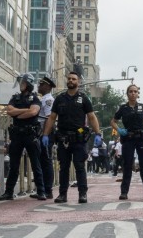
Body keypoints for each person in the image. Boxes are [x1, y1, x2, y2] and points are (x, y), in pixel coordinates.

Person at [42, 71, 102, 204]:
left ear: (78, 82)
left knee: (79, 166)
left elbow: (91, 116)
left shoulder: (83, 98)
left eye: (73, 79)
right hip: (63, 139)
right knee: (64, 167)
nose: (71, 81)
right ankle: (62, 194)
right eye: (69, 78)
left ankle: (82, 194)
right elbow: (52, 117)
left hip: (79, 138)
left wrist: (98, 133)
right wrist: (45, 134)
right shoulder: (60, 98)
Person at [0, 73, 46, 201]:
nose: (21, 85)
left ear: (28, 84)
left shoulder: (35, 98)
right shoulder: (15, 98)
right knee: (14, 165)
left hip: (30, 135)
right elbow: (9, 111)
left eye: (23, 83)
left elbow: (34, 111)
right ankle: (9, 192)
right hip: (17, 135)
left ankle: (41, 191)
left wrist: (18, 114)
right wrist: (25, 111)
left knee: (36, 164)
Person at [110, 84, 143, 200]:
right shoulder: (123, 108)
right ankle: (124, 192)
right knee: (127, 165)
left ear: (137, 94)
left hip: (141, 139)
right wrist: (119, 129)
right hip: (128, 139)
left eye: (135, 91)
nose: (133, 93)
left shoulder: (142, 107)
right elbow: (113, 122)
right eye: (131, 91)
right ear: (127, 93)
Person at [32, 75, 56, 199]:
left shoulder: (48, 100)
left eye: (41, 84)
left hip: (45, 134)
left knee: (46, 161)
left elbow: (49, 119)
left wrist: (45, 134)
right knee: (41, 162)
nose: (39, 86)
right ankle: (41, 189)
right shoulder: (43, 99)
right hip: (40, 134)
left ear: (47, 86)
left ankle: (48, 189)